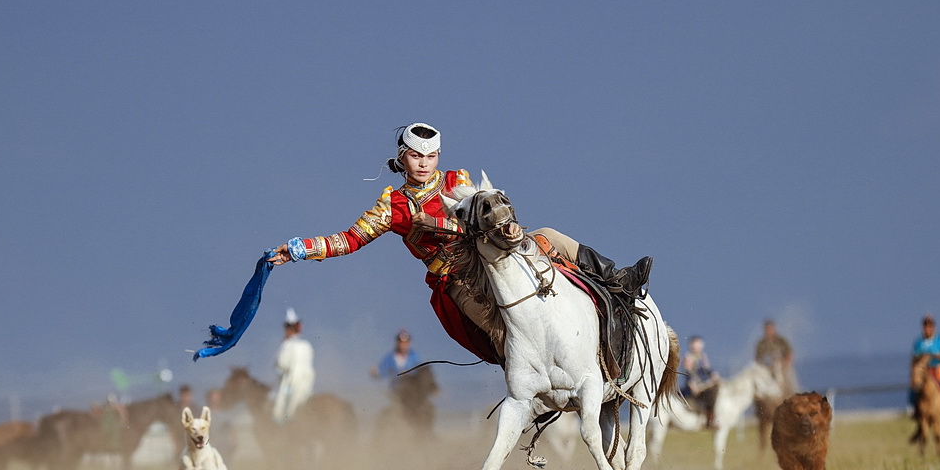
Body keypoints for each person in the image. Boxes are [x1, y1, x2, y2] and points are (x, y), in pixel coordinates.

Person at [266, 123, 652, 364]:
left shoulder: (457, 179)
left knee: (550, 236)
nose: (424, 163)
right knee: (500, 328)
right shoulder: (392, 204)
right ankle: (528, 383)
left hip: (493, 250)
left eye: (431, 155)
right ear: (402, 157)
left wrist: (433, 220)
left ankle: (618, 279)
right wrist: (300, 249)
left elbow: (476, 218)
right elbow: (349, 240)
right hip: (456, 276)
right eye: (416, 156)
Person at [372, 329, 439, 435]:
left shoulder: (414, 356)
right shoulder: (390, 357)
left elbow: (421, 372)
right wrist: (376, 372)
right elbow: (382, 370)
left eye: (405, 342)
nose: (403, 344)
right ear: (397, 343)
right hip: (398, 391)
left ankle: (427, 433)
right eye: (401, 342)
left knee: (428, 409)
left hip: (413, 391)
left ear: (409, 343)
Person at [910, 314, 940, 423]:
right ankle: (916, 410)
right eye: (925, 326)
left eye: (930, 326)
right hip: (924, 371)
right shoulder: (918, 343)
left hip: (938, 369)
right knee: (914, 390)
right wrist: (921, 357)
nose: (927, 329)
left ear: (933, 327)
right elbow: (914, 356)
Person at [272, 307, 315, 423]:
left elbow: (281, 365)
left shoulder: (286, 346)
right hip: (307, 383)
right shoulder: (307, 345)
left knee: (281, 409)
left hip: (290, 383)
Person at [680, 335, 720, 430]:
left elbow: (708, 369)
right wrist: (692, 384)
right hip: (694, 386)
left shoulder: (703, 357)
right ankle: (709, 420)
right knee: (711, 394)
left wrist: (714, 374)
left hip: (703, 384)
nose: (696, 347)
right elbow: (688, 373)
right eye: (694, 345)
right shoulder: (688, 357)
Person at [754, 318, 798, 396]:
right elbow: (757, 359)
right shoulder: (761, 343)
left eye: (771, 329)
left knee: (790, 380)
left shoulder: (781, 340)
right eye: (767, 329)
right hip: (767, 369)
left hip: (782, 367)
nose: (769, 331)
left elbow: (789, 354)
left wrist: (785, 363)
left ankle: (794, 394)